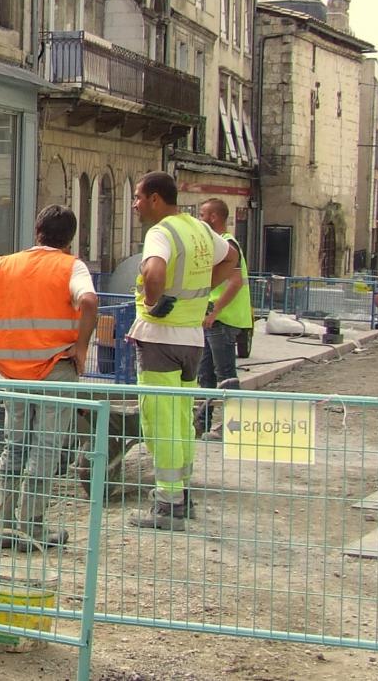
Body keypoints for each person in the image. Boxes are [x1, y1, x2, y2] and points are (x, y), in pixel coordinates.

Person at [0, 205, 98, 550]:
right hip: (55, 367)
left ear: (36, 231)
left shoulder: (7, 265)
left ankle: (8, 526)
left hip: (13, 370)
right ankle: (32, 527)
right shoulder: (72, 266)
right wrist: (81, 348)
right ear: (69, 238)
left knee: (16, 446)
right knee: (46, 447)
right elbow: (89, 300)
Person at [128, 172, 237, 530]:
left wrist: (153, 299)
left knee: (160, 419)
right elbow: (231, 257)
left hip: (160, 337)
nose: (136, 204)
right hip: (192, 339)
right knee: (180, 418)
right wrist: (203, 289)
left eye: (139, 197)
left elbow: (155, 270)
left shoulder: (161, 232)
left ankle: (166, 504)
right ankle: (181, 493)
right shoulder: (199, 228)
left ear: (156, 199)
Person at [195, 198, 252, 439]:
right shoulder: (221, 245)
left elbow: (235, 282)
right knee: (206, 374)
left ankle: (234, 427)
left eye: (202, 214)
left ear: (214, 217)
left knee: (225, 374)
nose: (200, 219)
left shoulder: (228, 245)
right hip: (215, 319)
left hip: (223, 319)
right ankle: (202, 424)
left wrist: (215, 311)